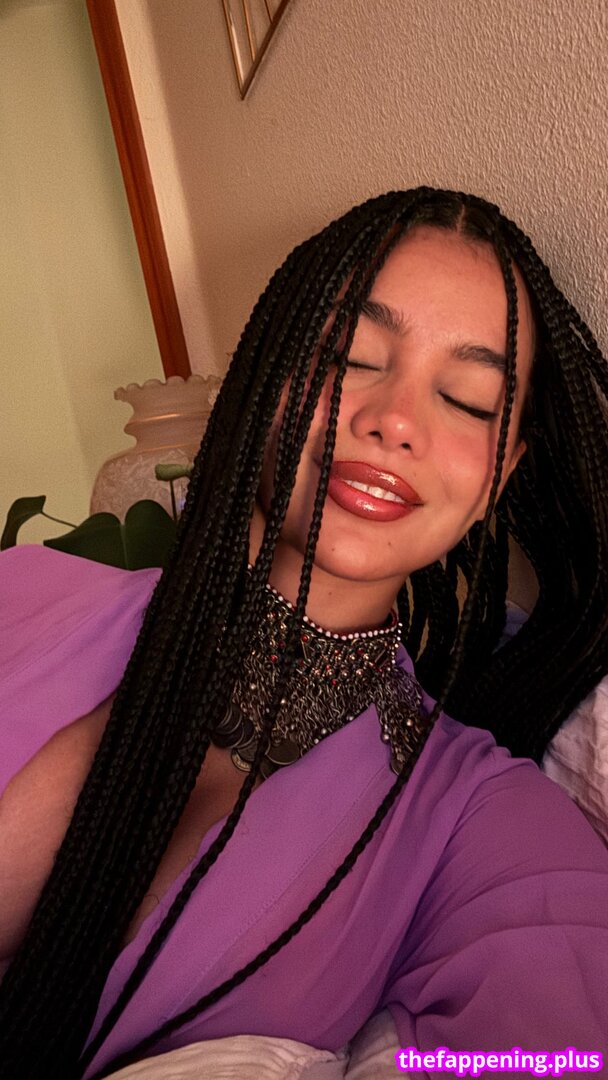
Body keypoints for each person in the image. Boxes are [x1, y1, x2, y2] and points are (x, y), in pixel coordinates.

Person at [1, 188, 608, 1080]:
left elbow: (555, 1045)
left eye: (469, 400)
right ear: (265, 368)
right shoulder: (22, 591)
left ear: (501, 474)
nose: (395, 419)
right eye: (349, 355)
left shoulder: (482, 822)